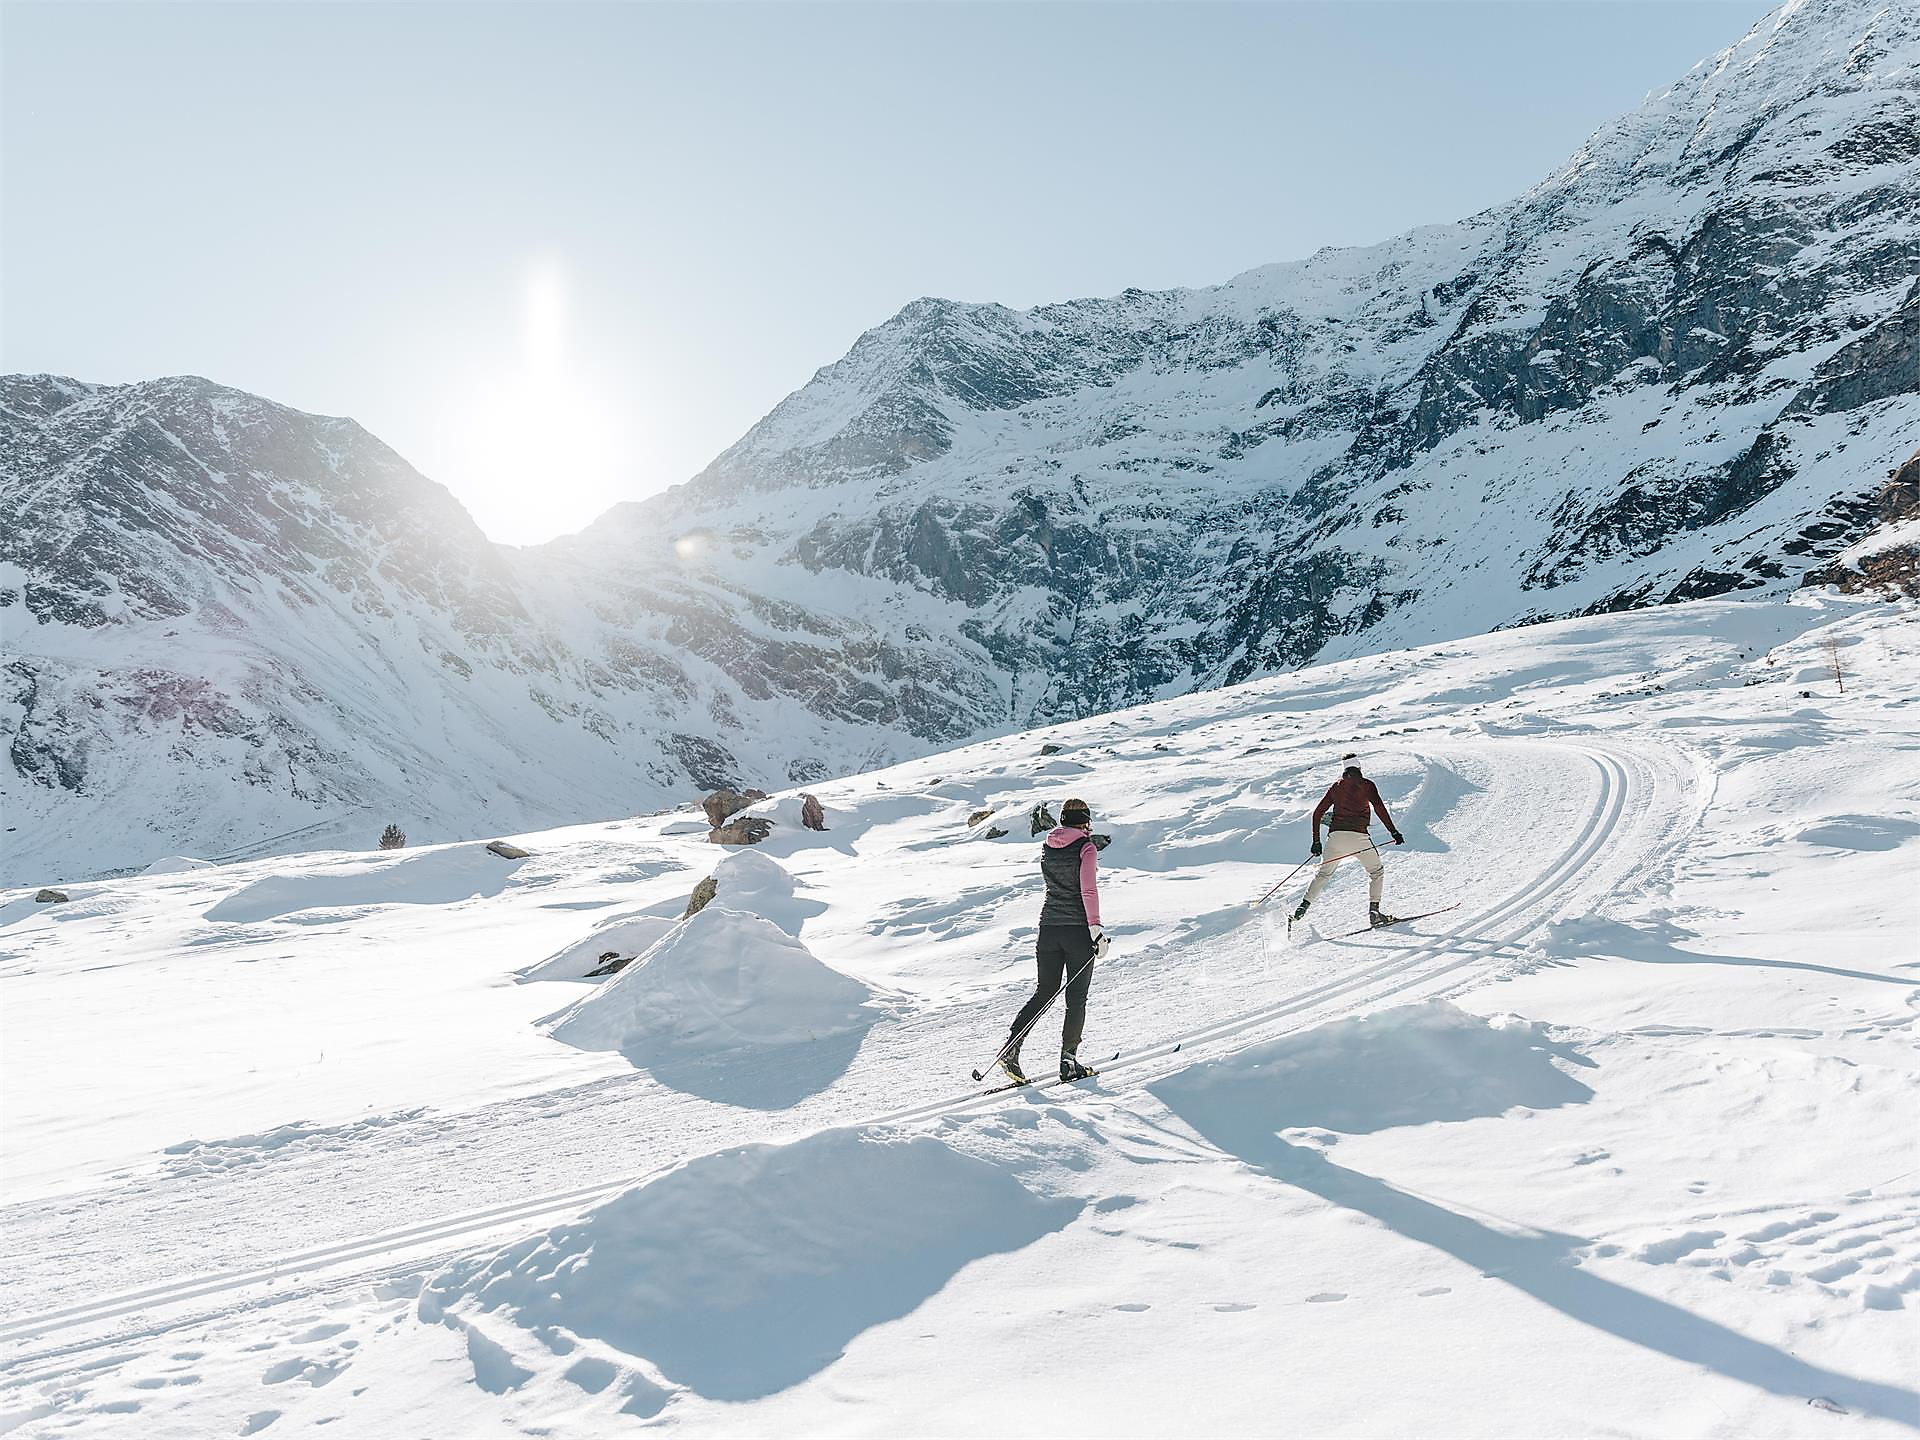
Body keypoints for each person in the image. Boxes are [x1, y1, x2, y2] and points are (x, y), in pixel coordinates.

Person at [997, 796, 1108, 1084]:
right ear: (1085, 821)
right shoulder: (1086, 847)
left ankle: (1010, 1049)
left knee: (1044, 992)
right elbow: (1088, 891)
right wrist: (1095, 928)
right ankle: (1069, 1062)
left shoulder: (1048, 845)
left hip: (1048, 927)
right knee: (1076, 998)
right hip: (1076, 931)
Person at [1292, 761, 1404, 928]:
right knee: (1376, 871)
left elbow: (1317, 813)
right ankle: (1374, 912)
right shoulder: (1367, 785)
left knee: (1323, 874)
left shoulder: (1336, 787)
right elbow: (1379, 808)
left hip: (1335, 837)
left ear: (1345, 770)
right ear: (1359, 768)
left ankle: (1301, 909)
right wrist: (1393, 831)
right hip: (1359, 837)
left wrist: (1316, 841)